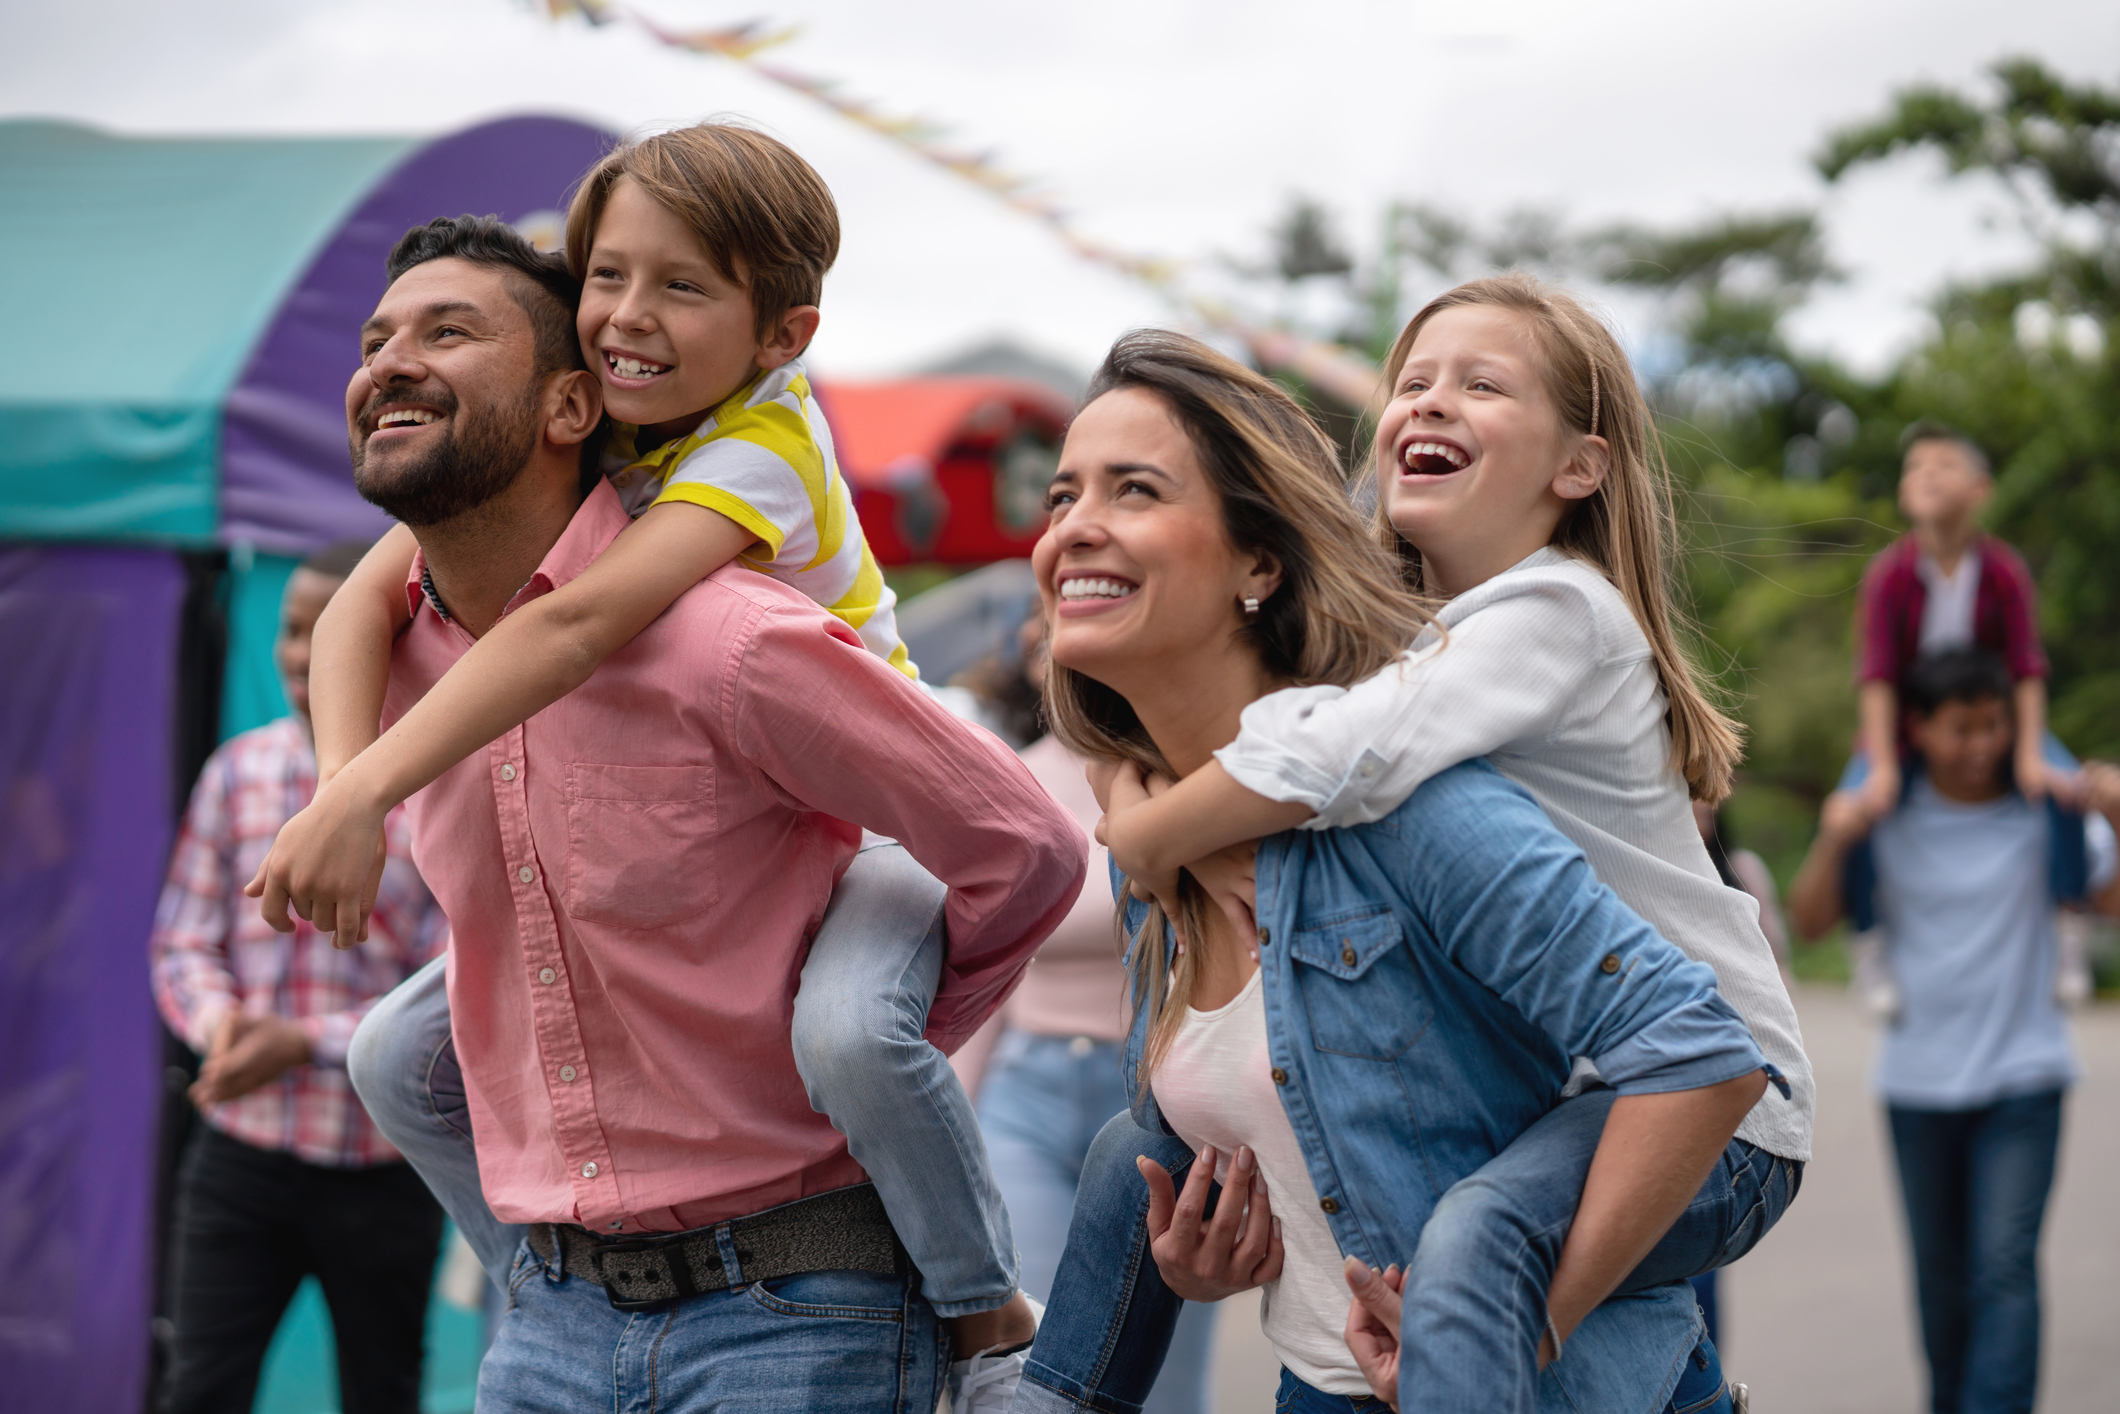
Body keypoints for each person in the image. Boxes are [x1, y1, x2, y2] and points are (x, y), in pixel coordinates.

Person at [251, 124, 1046, 1401]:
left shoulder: (754, 456)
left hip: (872, 813)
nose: (624, 314)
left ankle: (983, 1311)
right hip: (583, 1316)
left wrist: (366, 787)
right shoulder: (621, 428)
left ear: (781, 335)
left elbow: (573, 624)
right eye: (604, 274)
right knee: (392, 1058)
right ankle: (533, 1269)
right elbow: (354, 604)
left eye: (682, 285)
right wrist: (346, 784)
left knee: (844, 1030)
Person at [1078, 275, 1810, 1409]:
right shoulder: (1414, 651)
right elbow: (1252, 727)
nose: (1426, 403)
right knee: (1128, 1155)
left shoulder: (1554, 613)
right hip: (1568, 1087)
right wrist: (1130, 776)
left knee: (1475, 1244)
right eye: (1409, 382)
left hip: (1716, 1103)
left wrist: (1143, 832)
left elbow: (1334, 754)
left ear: (1579, 467)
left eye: (1479, 384)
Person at [150, 540, 446, 1414]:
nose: (300, 654)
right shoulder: (238, 772)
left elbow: (452, 985)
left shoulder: (435, 785)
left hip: (384, 1164)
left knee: (381, 1392)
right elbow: (183, 942)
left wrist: (301, 1044)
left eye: (327, 630)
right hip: (240, 1154)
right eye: (289, 629)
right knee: (199, 1388)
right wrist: (222, 1031)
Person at [1787, 648, 2120, 1414]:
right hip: (1917, 1082)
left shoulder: (2045, 808)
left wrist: (2112, 811)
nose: (1983, 745)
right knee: (1940, 1283)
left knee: (2002, 1269)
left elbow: (2109, 905)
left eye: (1996, 724)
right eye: (1961, 728)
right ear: (1918, 729)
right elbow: (1808, 920)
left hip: (2026, 1074)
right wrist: (1836, 836)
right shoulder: (1885, 814)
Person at [963, 618, 1220, 1414]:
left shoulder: (1194, 779)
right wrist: (958, 1126)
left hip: (1150, 1102)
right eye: (1043, 624)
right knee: (1038, 1373)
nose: (1060, 637)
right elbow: (978, 970)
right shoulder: (998, 778)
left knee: (1162, 1386)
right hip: (1025, 1096)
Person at [1851, 424, 2059, 820]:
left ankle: (2075, 883)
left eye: (1945, 464)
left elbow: (2026, 667)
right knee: (1852, 814)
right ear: (1902, 492)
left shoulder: (2005, 571)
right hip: (1910, 729)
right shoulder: (1887, 575)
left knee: (2064, 792)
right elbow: (1877, 675)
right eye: (1915, 467)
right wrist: (1882, 765)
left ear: (1979, 489)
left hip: (1989, 725)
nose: (1927, 473)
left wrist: (2030, 753)